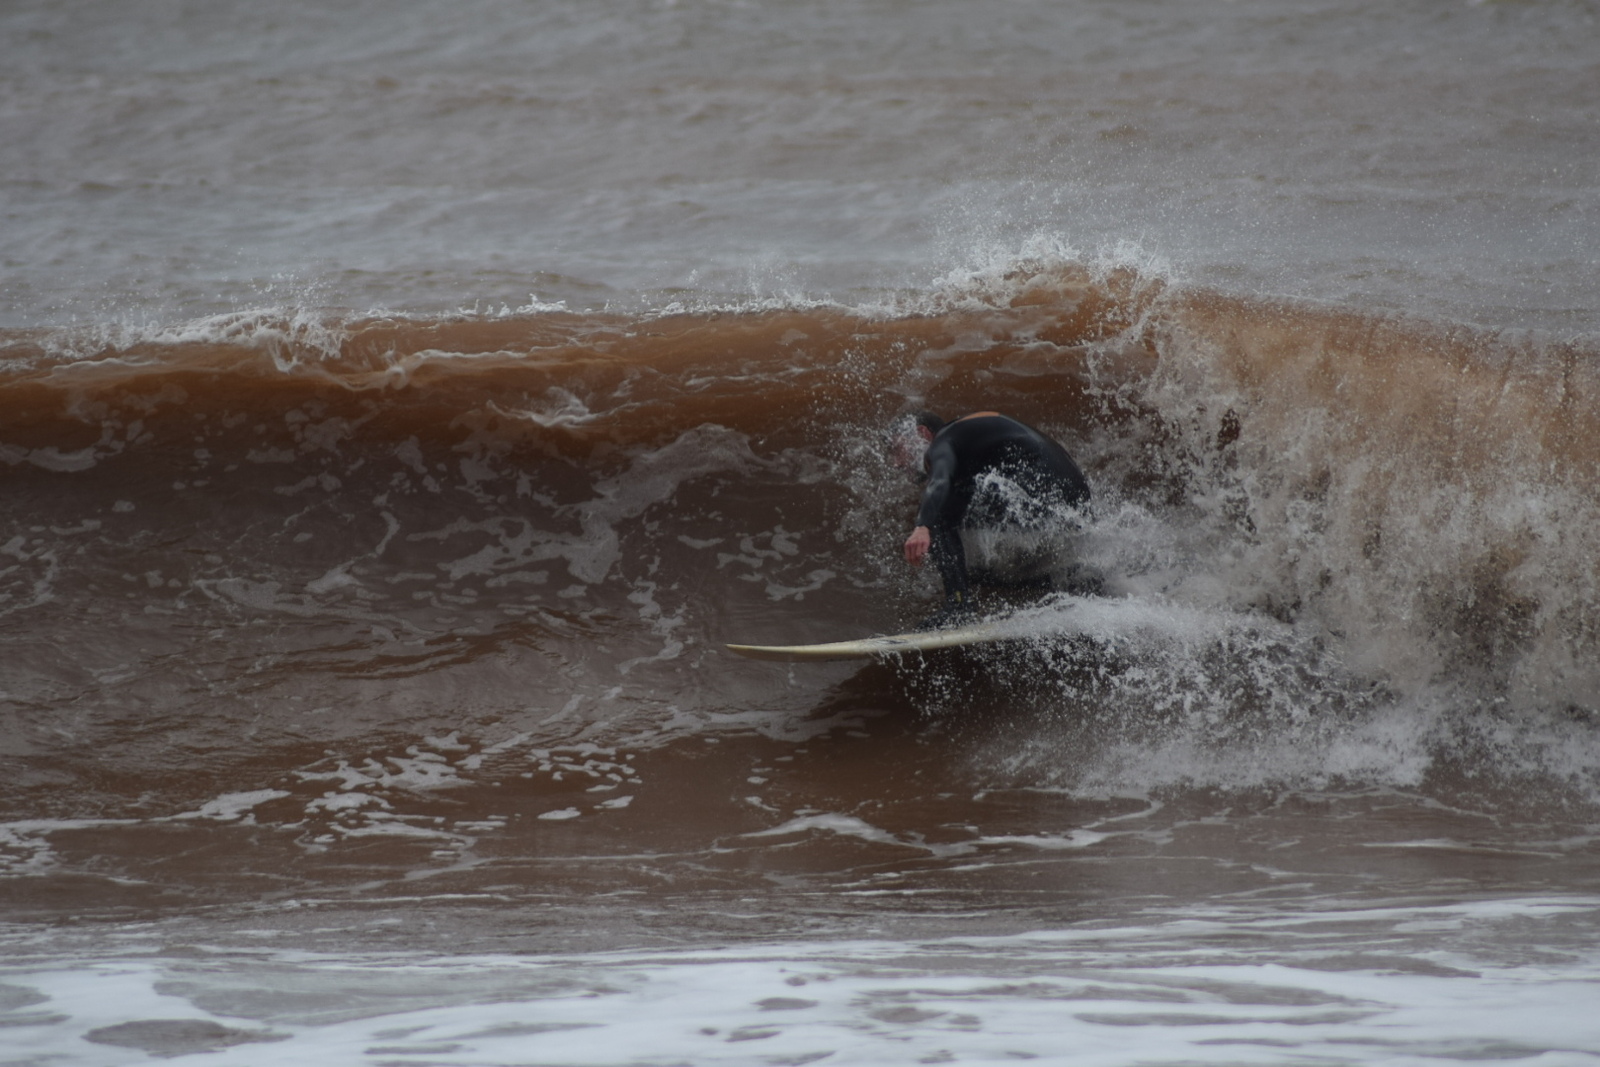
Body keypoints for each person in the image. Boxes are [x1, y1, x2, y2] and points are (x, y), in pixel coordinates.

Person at [888, 410, 1091, 627]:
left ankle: (958, 607)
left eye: (897, 449)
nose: (895, 463)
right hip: (1067, 499)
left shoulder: (942, 442)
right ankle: (1064, 579)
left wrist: (923, 526)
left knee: (938, 516)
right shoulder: (965, 439)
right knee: (961, 521)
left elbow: (940, 481)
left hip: (1043, 489)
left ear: (922, 433)